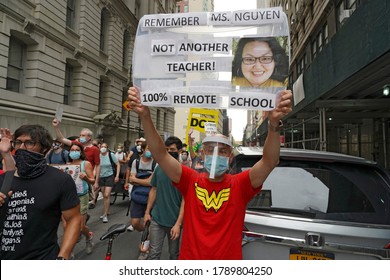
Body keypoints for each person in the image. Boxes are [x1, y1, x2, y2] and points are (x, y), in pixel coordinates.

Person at [127, 86, 292, 259]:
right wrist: (145, 116)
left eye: (222, 151)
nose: (216, 154)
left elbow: (269, 161)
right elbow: (160, 154)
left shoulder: (240, 184)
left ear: (229, 158)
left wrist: (274, 125)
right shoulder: (190, 180)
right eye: (211, 149)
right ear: (202, 154)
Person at [0, 125, 81, 259]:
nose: (21, 148)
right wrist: (6, 154)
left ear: (44, 148)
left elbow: (73, 218)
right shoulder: (4, 180)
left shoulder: (60, 180)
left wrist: (63, 255)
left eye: (30, 143)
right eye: (18, 142)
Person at [143, 136, 185, 260]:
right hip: (157, 219)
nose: (169, 152)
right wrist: (147, 212)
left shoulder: (184, 172)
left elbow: (185, 199)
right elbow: (154, 190)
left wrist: (178, 223)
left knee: (174, 254)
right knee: (153, 253)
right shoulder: (159, 168)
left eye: (172, 149)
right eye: (166, 149)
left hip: (174, 221)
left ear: (179, 151)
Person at [52, 118, 101, 209]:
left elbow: (97, 165)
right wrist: (56, 127)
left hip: (87, 177)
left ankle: (83, 215)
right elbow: (61, 139)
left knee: (84, 202)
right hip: (75, 176)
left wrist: (96, 181)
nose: (80, 137)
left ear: (89, 137)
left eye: (83, 135)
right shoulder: (77, 144)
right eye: (80, 135)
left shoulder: (95, 149)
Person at [67, 141, 95, 254]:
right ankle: (69, 250)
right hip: (69, 196)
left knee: (81, 227)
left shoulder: (85, 164)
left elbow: (92, 180)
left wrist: (86, 178)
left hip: (82, 196)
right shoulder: (67, 164)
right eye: (72, 150)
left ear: (81, 152)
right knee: (69, 225)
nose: (74, 152)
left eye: (77, 150)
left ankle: (89, 237)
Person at [128, 141, 156, 232]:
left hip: (151, 196)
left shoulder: (156, 164)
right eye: (148, 148)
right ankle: (146, 232)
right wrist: (146, 181)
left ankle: (147, 240)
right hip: (137, 196)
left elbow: (152, 183)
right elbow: (131, 180)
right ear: (143, 149)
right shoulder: (135, 162)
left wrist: (137, 180)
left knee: (151, 220)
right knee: (135, 223)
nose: (150, 151)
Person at [98, 143, 120, 223]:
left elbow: (118, 164)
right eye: (102, 146)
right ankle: (106, 211)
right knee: (104, 196)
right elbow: (96, 166)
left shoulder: (111, 155)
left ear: (107, 148)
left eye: (105, 147)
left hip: (109, 176)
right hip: (101, 177)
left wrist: (117, 176)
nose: (103, 148)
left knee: (107, 195)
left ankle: (105, 215)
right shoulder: (98, 155)